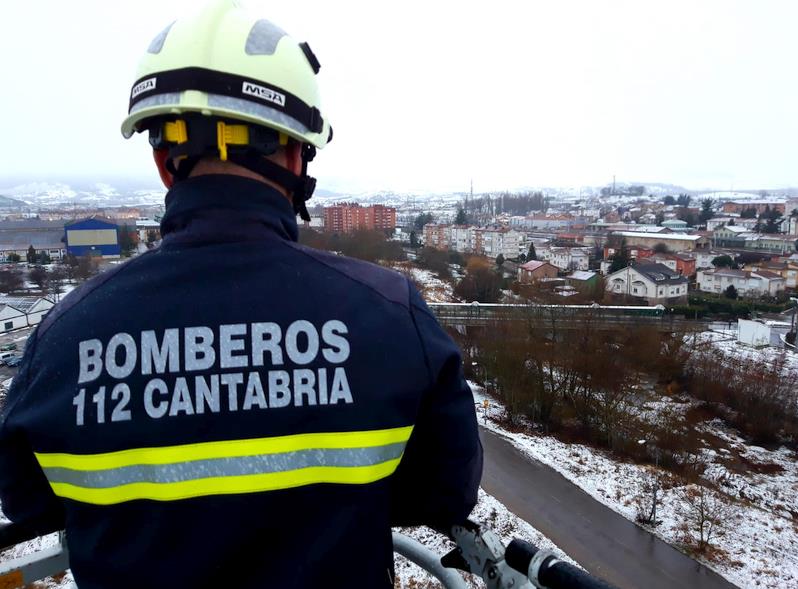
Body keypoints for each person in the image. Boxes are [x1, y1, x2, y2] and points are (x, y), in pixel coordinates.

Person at [0, 2, 482, 588]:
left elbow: (31, 505)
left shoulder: (63, 340)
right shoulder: (390, 314)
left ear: (162, 161)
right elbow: (443, 494)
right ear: (298, 155)